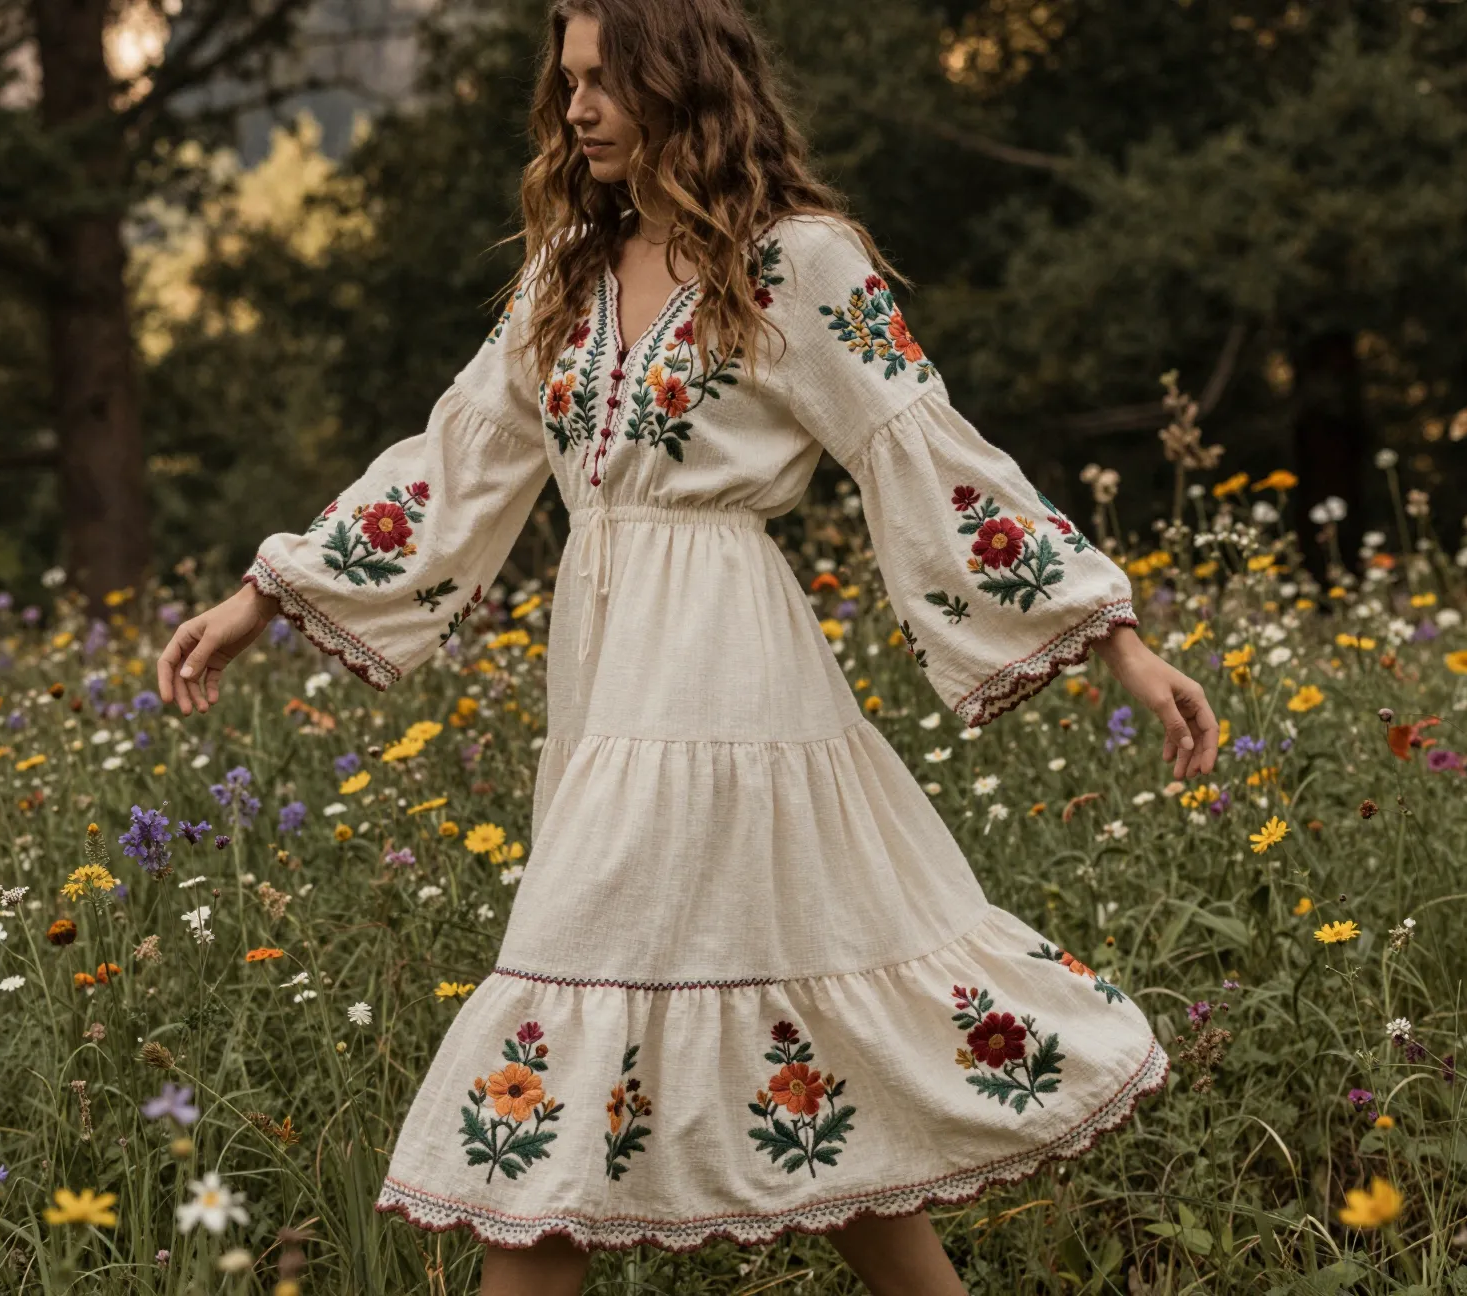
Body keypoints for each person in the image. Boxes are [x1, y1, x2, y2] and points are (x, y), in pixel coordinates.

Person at [158, 1, 1218, 1291]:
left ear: (685, 80)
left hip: (730, 683)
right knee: (802, 1052)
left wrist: (1115, 640)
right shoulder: (565, 274)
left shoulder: (797, 263)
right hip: (608, 688)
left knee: (562, 1055)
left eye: (607, 80)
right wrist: (267, 595)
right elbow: (460, 457)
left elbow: (925, 449)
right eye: (569, 82)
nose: (581, 109)